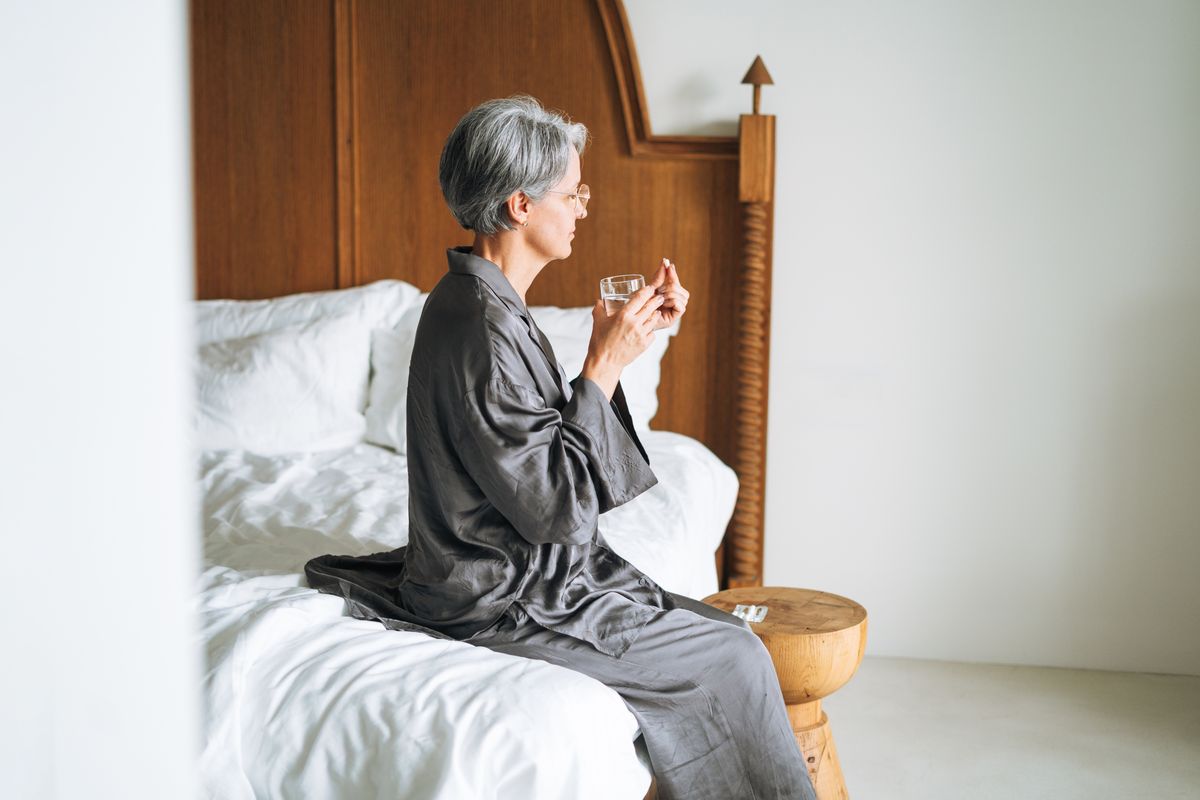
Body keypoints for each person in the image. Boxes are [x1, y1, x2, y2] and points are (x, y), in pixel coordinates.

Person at [306, 95, 816, 800]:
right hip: (498, 593)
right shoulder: (480, 326)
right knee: (733, 656)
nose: (583, 208)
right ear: (520, 205)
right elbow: (552, 509)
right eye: (573, 194)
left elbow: (540, 454)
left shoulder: (481, 303)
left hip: (520, 571)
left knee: (720, 632)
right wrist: (604, 364)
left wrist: (611, 356)